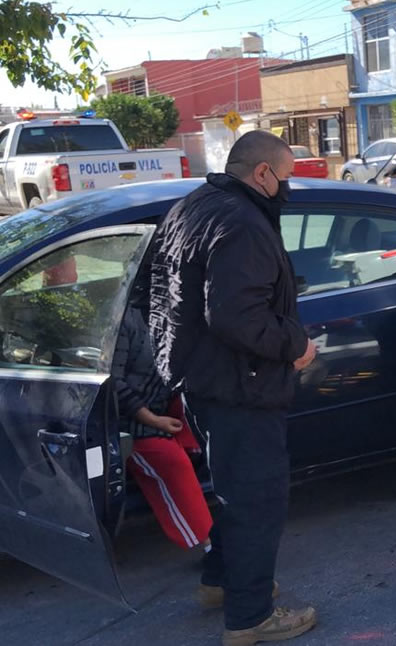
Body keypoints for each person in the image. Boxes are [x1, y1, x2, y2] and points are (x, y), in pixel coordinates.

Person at [149, 130, 318, 646]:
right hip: (239, 384)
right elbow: (236, 316)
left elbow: (159, 289)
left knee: (235, 490)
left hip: (199, 378)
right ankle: (250, 619)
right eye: (286, 177)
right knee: (258, 499)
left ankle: (220, 581)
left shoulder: (195, 204)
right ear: (261, 173)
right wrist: (297, 346)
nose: (288, 189)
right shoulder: (242, 223)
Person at [113, 301, 213, 552]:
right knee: (171, 461)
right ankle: (208, 543)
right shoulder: (126, 319)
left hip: (169, 404)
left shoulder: (180, 309)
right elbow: (112, 382)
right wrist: (152, 420)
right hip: (131, 419)